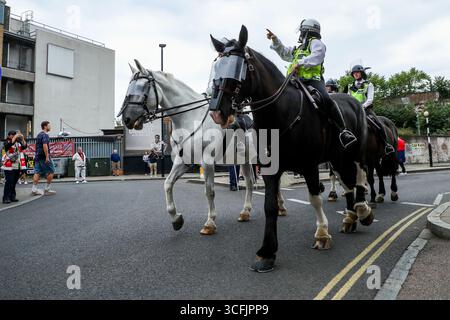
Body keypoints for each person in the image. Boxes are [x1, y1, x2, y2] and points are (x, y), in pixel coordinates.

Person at [267, 19, 357, 149]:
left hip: (313, 81)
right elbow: (285, 53)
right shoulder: (298, 49)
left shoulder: (316, 43)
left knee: (326, 99)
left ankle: (344, 131)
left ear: (307, 31)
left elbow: (317, 56)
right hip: (294, 81)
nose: (301, 34)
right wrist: (275, 40)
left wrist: (300, 63)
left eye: (302, 31)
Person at [347, 65, 395, 155]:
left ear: (362, 73)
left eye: (357, 72)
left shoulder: (368, 84)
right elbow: (348, 98)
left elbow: (370, 99)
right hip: (353, 111)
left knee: (378, 125)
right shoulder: (350, 86)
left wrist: (361, 107)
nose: (356, 74)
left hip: (366, 110)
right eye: (354, 73)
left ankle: (386, 145)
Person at [2, 131, 28, 204]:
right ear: (9, 135)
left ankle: (12, 196)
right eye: (12, 135)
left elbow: (25, 146)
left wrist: (22, 138)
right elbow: (8, 145)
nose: (14, 136)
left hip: (17, 165)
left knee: (14, 182)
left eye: (14, 135)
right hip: (8, 165)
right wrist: (16, 137)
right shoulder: (6, 142)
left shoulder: (18, 142)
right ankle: (6, 198)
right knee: (9, 181)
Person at [32, 121, 56, 196]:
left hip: (38, 156)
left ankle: (34, 189)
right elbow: (45, 145)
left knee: (37, 172)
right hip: (43, 156)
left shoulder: (39, 134)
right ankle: (47, 189)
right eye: (49, 125)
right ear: (45, 126)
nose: (50, 127)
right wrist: (47, 157)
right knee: (52, 171)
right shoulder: (45, 135)